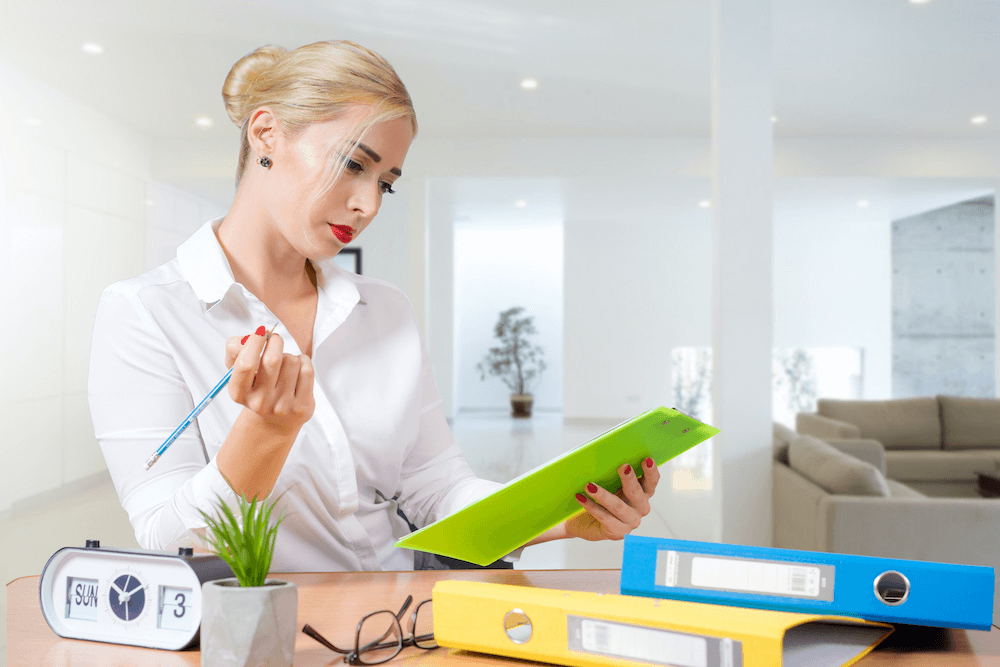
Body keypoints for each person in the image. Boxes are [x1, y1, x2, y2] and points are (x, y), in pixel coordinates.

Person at [88, 40, 661, 572]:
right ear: (266, 134)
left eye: (386, 182)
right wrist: (264, 434)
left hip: (404, 618)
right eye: (352, 163)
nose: (367, 204)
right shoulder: (143, 314)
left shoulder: (384, 311)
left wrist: (561, 516)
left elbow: (437, 489)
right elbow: (172, 540)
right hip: (262, 628)